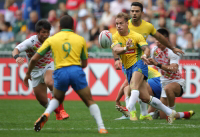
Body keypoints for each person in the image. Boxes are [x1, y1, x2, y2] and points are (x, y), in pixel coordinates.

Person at [24, 15, 108, 134]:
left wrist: (28, 74)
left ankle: (47, 113)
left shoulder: (52, 39)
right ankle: (101, 127)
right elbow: (84, 64)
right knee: (89, 100)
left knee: (57, 98)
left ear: (59, 26)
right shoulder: (80, 39)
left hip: (60, 72)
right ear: (73, 26)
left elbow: (33, 59)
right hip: (75, 70)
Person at [113, 2, 184, 120]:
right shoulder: (124, 24)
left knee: (131, 86)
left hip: (140, 60)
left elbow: (159, 38)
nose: (134, 13)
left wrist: (172, 48)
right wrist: (116, 59)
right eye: (132, 11)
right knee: (145, 97)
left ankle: (130, 111)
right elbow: (115, 46)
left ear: (142, 13)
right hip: (127, 62)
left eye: (137, 11)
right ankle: (167, 112)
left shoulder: (147, 27)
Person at [12, 19, 69, 120]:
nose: (46, 35)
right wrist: (17, 57)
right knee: (42, 101)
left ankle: (62, 110)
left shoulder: (51, 40)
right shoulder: (31, 41)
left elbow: (64, 49)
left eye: (47, 32)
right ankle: (57, 111)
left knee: (50, 82)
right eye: (43, 32)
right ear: (37, 33)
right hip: (34, 71)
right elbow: (16, 49)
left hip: (48, 65)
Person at [148, 28, 195, 119]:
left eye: (159, 39)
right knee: (162, 117)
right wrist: (145, 60)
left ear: (166, 39)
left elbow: (173, 69)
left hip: (177, 82)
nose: (157, 41)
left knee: (168, 88)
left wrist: (157, 64)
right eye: (156, 39)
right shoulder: (154, 50)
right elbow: (151, 62)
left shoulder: (173, 52)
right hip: (163, 82)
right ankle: (184, 114)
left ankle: (171, 113)